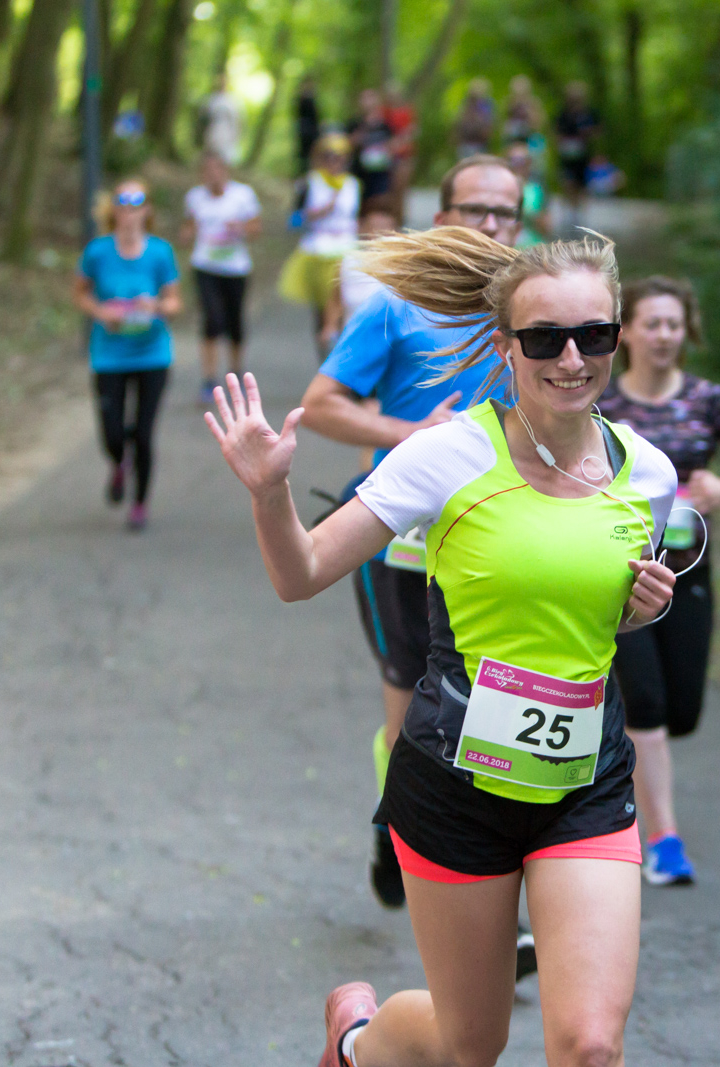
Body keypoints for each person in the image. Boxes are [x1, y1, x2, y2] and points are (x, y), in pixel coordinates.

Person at [205, 228, 679, 1067]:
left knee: (591, 1045)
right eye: (544, 339)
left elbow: (583, 624)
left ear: (618, 335)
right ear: (505, 347)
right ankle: (357, 1040)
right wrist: (271, 491)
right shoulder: (448, 454)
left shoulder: (648, 474)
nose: (572, 358)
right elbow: (302, 572)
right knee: (470, 1047)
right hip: (456, 783)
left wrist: (640, 610)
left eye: (594, 335)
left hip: (585, 785)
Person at [298, 156, 525, 915]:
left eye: (506, 213)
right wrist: (410, 434)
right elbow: (322, 404)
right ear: (443, 217)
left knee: (500, 699)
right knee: (414, 701)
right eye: (476, 210)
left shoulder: (534, 314)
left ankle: (497, 879)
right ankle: (393, 823)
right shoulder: (396, 310)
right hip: (402, 538)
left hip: (504, 541)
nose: (491, 225)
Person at [596, 277, 720, 886]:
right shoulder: (602, 402)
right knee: (645, 704)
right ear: (627, 334)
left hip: (690, 568)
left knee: (680, 710)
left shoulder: (709, 400)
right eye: (651, 323)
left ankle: (603, 774)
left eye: (673, 325)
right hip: (618, 571)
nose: (663, 336)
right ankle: (662, 840)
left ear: (686, 332)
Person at [72, 179, 182, 532]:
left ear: (147, 211)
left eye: (137, 206)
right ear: (113, 211)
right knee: (113, 433)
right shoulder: (97, 252)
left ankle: (139, 505)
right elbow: (80, 293)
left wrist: (158, 306)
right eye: (123, 205)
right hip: (109, 355)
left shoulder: (161, 252)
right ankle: (120, 462)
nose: (129, 213)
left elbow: (175, 302)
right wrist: (102, 313)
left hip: (152, 354)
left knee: (145, 434)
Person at [180, 152, 262, 405]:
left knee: (234, 321)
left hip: (236, 267)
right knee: (212, 319)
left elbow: (256, 229)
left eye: (217, 169)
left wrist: (240, 228)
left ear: (225, 171)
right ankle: (208, 379)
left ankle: (236, 371)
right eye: (208, 170)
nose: (213, 175)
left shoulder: (243, 195)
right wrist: (186, 234)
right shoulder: (195, 197)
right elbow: (190, 227)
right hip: (205, 265)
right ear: (202, 174)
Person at [281, 134, 360, 355]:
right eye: (329, 156)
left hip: (347, 250)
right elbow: (293, 220)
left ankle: (346, 363)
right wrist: (317, 212)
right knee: (322, 311)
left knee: (347, 308)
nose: (335, 162)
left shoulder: (353, 184)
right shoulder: (309, 183)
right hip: (317, 251)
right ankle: (325, 360)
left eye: (340, 157)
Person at [554, 82, 599, 234]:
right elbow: (556, 132)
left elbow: (598, 131)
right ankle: (571, 212)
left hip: (584, 154)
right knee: (568, 182)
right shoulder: (563, 114)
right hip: (567, 154)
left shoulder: (589, 113)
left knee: (583, 184)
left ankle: (580, 214)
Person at [349, 89, 396, 210]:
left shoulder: (386, 124)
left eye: (371, 98)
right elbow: (347, 145)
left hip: (380, 172)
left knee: (379, 202)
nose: (368, 102)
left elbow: (392, 144)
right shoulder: (354, 124)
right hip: (360, 171)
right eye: (365, 98)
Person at [503, 143, 551, 249]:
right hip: (507, 248)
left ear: (529, 163)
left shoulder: (537, 189)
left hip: (533, 248)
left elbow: (546, 225)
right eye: (513, 160)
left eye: (522, 161)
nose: (518, 165)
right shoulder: (499, 188)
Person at [382, 82, 418, 219]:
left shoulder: (406, 112)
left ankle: (400, 217)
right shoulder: (384, 112)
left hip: (403, 155)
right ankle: (391, 216)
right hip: (387, 156)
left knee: (401, 187)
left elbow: (411, 131)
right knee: (389, 189)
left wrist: (398, 142)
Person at [198, 73, 244, 165]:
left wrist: (235, 137)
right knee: (211, 157)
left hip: (227, 135)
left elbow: (237, 121)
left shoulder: (233, 102)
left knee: (225, 158)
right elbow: (203, 119)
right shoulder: (210, 100)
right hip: (212, 133)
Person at [453, 78, 495, 159]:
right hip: (465, 144)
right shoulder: (466, 105)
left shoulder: (486, 106)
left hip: (480, 144)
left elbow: (489, 127)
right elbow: (459, 124)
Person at [294, 75, 321, 178]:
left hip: (310, 132)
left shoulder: (311, 99)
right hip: (306, 133)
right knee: (305, 157)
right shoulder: (303, 99)